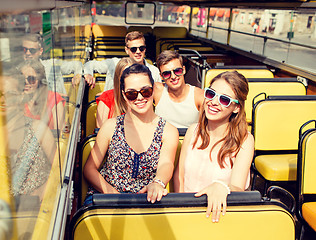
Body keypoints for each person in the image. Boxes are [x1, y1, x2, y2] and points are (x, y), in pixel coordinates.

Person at [83, 63, 178, 204]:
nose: (140, 98)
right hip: (106, 196)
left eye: (145, 91)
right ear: (124, 95)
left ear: (153, 90)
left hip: (146, 199)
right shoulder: (111, 126)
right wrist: (114, 195)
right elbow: (90, 168)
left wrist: (158, 182)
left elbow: (166, 163)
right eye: (132, 94)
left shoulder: (168, 130)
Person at [174, 71, 254, 223]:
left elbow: (237, 188)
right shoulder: (193, 131)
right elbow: (180, 175)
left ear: (236, 108)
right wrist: (180, 207)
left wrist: (222, 186)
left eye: (224, 99)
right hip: (185, 211)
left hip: (219, 216)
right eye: (211, 94)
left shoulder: (245, 141)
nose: (214, 102)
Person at [3, 71, 56, 201]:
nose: (3, 100)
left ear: (21, 96)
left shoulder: (38, 129)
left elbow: (59, 169)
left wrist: (44, 191)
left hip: (32, 209)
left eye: (10, 94)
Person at [83, 31, 161, 91]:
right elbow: (90, 64)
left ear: (145, 49)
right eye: (133, 49)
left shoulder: (154, 71)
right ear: (126, 50)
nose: (138, 52)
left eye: (141, 48)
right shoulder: (114, 64)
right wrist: (88, 74)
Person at [154, 50, 204, 128]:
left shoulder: (199, 96)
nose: (173, 77)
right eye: (166, 74)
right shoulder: (157, 91)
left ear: (183, 70)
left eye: (177, 71)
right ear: (161, 76)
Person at [17, 60, 65, 132]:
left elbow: (60, 133)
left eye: (31, 79)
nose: (26, 82)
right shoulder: (17, 100)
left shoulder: (53, 98)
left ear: (40, 80)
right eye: (22, 79)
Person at [95, 57, 135, 128]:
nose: (129, 77)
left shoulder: (142, 97)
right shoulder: (107, 97)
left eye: (133, 73)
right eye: (125, 74)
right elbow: (101, 127)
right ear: (118, 77)